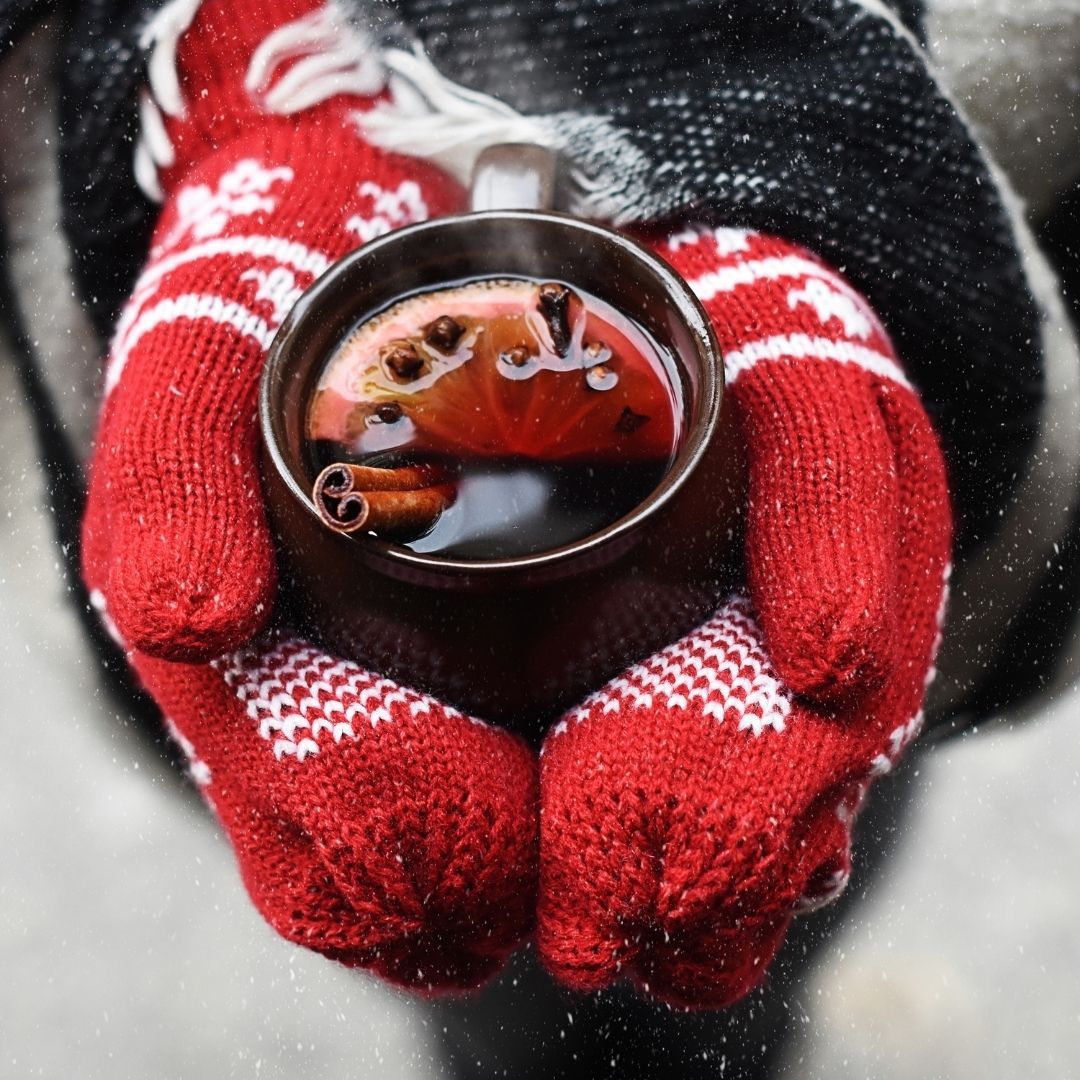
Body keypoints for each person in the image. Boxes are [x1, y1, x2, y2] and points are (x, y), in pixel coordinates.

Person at [1, 0, 1078, 1074]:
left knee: (740, 887)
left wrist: (775, 123)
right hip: (363, 610)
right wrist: (245, 71)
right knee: (472, 940)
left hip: (724, 558)